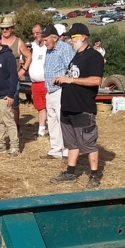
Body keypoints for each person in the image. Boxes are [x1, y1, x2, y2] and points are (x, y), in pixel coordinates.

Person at [50, 23, 105, 188]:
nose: (70, 41)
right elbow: (73, 76)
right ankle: (70, 172)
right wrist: (62, 79)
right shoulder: (76, 56)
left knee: (88, 143)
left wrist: (71, 80)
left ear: (83, 37)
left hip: (83, 108)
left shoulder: (93, 56)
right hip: (68, 107)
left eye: (73, 38)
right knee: (71, 143)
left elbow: (96, 80)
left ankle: (94, 176)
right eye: (69, 38)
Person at [41, 24, 75, 160]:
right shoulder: (49, 50)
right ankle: (55, 149)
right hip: (49, 91)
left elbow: (71, 69)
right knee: (52, 120)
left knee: (64, 121)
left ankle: (67, 150)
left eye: (46, 40)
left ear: (54, 38)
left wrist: (63, 80)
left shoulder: (64, 49)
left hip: (61, 90)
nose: (44, 43)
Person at [0, 16, 31, 125]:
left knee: (14, 104)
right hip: (0, 79)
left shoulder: (18, 42)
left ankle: (16, 127)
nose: (4, 31)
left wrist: (23, 70)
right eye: (2, 28)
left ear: (12, 28)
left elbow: (29, 56)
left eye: (7, 28)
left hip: (13, 79)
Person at [27, 23, 48, 137]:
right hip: (35, 82)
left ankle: (49, 127)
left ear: (42, 33)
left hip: (45, 81)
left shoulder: (47, 45)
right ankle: (41, 129)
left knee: (47, 106)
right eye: (34, 33)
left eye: (38, 33)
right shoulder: (33, 46)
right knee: (39, 107)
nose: (35, 35)